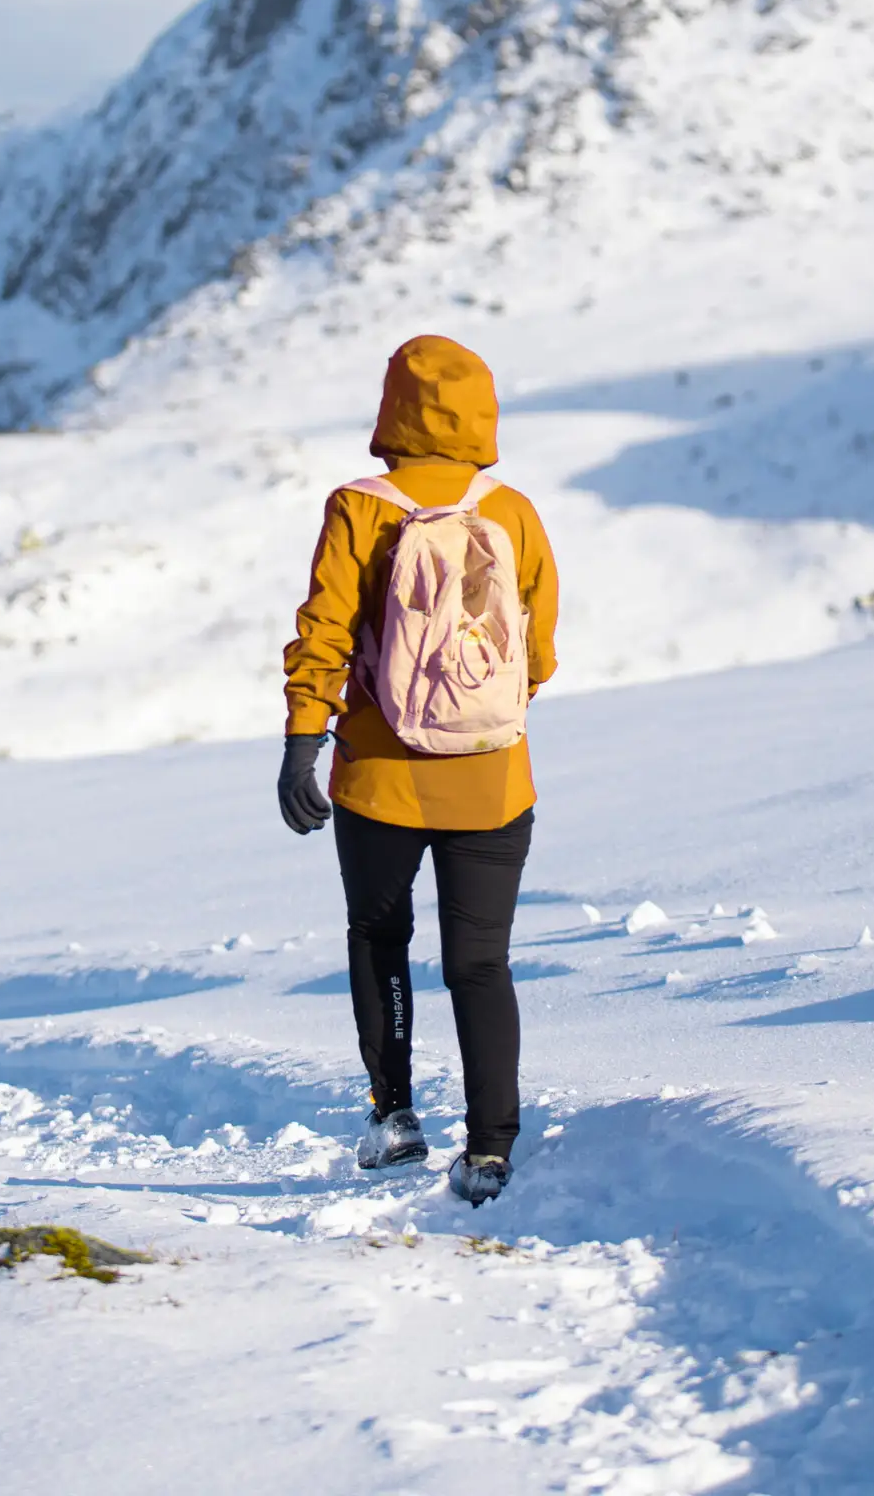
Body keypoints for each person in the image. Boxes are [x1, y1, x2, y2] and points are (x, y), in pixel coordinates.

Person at [278, 335, 559, 1206]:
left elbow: (324, 629)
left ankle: (394, 1116)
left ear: (392, 406)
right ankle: (489, 1149)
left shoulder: (359, 507)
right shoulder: (511, 511)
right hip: (494, 779)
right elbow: (538, 655)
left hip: (379, 779)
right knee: (481, 963)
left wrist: (304, 739)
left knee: (380, 938)